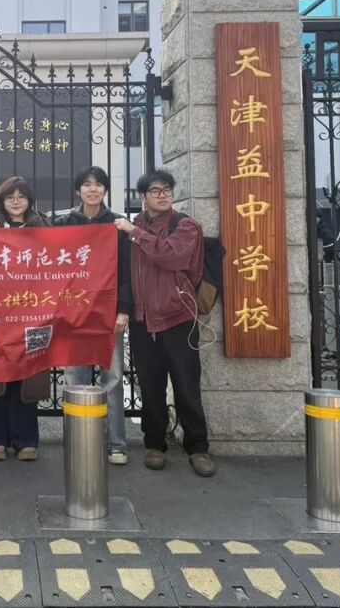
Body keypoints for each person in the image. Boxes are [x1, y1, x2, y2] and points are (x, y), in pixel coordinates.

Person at [115, 169, 215, 477]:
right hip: (143, 321)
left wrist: (135, 233)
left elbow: (171, 256)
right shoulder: (133, 227)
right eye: (156, 191)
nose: (163, 195)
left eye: (167, 190)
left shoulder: (185, 225)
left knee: (186, 385)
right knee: (150, 386)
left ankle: (197, 448)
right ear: (143, 196)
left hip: (177, 318)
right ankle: (154, 444)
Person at [56, 166, 133, 465]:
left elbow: (126, 270)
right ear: (78, 190)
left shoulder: (117, 225)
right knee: (74, 378)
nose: (92, 189)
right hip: (73, 314)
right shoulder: (64, 223)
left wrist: (123, 309)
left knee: (111, 379)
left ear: (105, 190)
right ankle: (78, 441)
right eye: (87, 185)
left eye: (98, 184)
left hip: (107, 314)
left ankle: (116, 443)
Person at [0, 176, 49, 461]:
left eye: (21, 197)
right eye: (10, 197)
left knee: (26, 375)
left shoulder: (43, 227)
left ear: (29, 201)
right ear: (1, 201)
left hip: (31, 313)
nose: (16, 202)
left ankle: (24, 439)